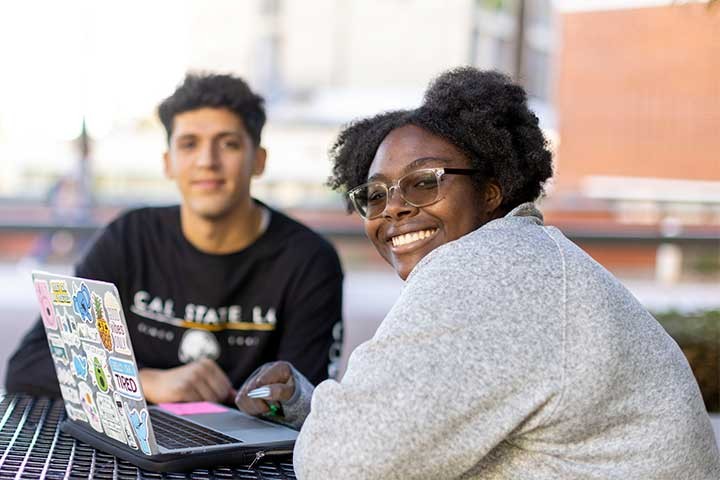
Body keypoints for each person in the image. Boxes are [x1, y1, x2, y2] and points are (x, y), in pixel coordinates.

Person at [235, 68, 720, 479]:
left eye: (425, 182)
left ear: (491, 191)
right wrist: (309, 405)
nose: (395, 208)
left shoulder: (492, 270)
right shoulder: (527, 257)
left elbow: (340, 464)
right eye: (376, 194)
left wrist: (328, 421)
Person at [6, 73, 344, 405]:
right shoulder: (130, 238)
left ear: (258, 160)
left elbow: (307, 406)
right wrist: (144, 382)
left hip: (249, 456)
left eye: (228, 143)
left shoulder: (309, 261)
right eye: (189, 144)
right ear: (168, 163)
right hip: (131, 445)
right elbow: (28, 366)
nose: (207, 161)